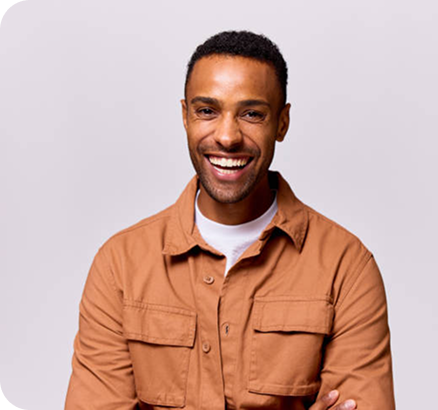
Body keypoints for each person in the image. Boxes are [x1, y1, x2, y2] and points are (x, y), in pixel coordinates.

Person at [65, 30, 395, 410]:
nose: (227, 137)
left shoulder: (347, 266)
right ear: (185, 116)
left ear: (282, 123)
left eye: (252, 114)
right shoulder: (120, 265)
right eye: (207, 111)